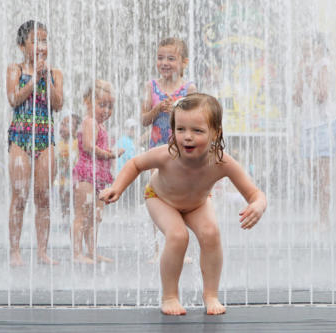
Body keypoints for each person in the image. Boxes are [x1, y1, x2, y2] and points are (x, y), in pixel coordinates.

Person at [100, 93, 267, 316]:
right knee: (178, 236)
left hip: (197, 204)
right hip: (160, 198)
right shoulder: (168, 154)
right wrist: (117, 188)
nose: (187, 137)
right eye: (181, 129)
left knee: (211, 233)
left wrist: (258, 205)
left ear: (215, 132)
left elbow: (255, 193)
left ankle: (210, 294)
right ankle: (169, 296)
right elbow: (136, 164)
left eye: (197, 131)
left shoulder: (221, 161)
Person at [6, 20, 63, 267]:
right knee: (19, 196)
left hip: (45, 137)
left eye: (44, 40)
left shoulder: (55, 73)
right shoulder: (15, 70)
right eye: (35, 41)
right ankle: (15, 251)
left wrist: (45, 79)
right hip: (20, 137)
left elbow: (58, 104)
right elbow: (13, 99)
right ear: (22, 45)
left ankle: (42, 251)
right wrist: (32, 80)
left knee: (43, 196)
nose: (41, 46)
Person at [141, 37, 197, 263]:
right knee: (155, 196)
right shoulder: (151, 87)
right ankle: (158, 250)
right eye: (160, 58)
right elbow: (144, 119)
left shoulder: (188, 88)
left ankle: (179, 248)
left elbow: (197, 118)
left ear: (184, 62)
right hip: (156, 150)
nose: (164, 63)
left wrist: (178, 111)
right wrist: (155, 110)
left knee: (181, 198)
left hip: (181, 151)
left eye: (171, 58)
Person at [72, 80, 124, 264]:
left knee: (96, 216)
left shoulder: (100, 125)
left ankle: (92, 251)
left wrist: (110, 153)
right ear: (88, 102)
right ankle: (77, 253)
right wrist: (110, 154)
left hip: (99, 177)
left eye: (110, 107)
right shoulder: (89, 121)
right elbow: (88, 146)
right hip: (86, 175)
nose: (106, 110)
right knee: (82, 215)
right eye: (102, 105)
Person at [293, 32, 336, 230]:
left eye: (308, 48)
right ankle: (321, 215)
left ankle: (324, 219)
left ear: (318, 47)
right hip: (308, 125)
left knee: (323, 175)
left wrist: (310, 75)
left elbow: (322, 94)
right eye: (303, 49)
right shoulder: (305, 67)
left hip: (324, 125)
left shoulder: (324, 65)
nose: (305, 52)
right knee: (313, 172)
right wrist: (300, 77)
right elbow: (297, 99)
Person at [57, 113, 81, 219]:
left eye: (66, 125)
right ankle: (65, 225)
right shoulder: (59, 144)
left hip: (75, 182)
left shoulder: (77, 143)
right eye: (62, 124)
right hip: (62, 181)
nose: (62, 127)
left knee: (75, 206)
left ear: (75, 129)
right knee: (64, 205)